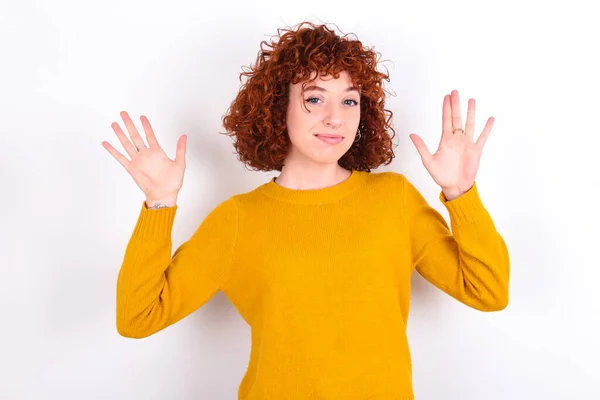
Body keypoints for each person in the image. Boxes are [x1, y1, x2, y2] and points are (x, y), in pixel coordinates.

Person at [101, 21, 509, 400]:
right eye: (314, 98)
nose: (335, 118)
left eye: (350, 101)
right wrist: (160, 204)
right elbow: (137, 317)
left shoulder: (394, 200)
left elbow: (488, 292)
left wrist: (461, 192)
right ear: (279, 107)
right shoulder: (239, 220)